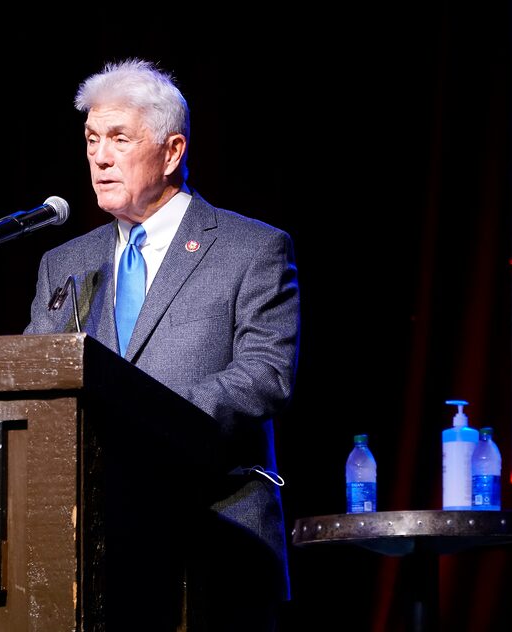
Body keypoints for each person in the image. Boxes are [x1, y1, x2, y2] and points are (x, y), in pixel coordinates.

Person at [24, 59, 300, 631]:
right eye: (92, 140)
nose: (100, 156)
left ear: (172, 152)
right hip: (93, 547)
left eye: (119, 139)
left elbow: (265, 374)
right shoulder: (65, 264)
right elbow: (34, 381)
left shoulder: (251, 249)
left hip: (214, 537)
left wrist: (150, 419)